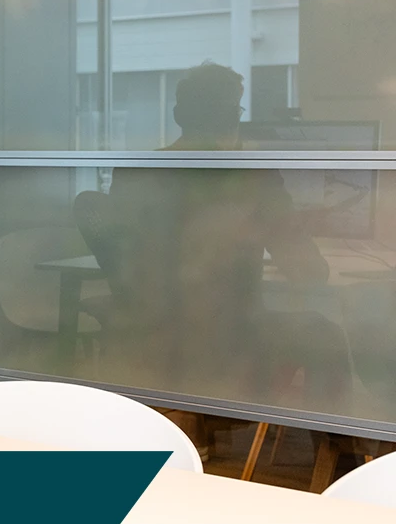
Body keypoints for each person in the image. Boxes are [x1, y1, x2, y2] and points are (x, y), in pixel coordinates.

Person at [100, 61, 350, 406]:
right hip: (231, 341)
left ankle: (196, 426)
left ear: (178, 115)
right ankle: (339, 452)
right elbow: (309, 273)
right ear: (234, 116)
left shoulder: (133, 173)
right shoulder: (253, 177)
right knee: (326, 333)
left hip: (146, 339)